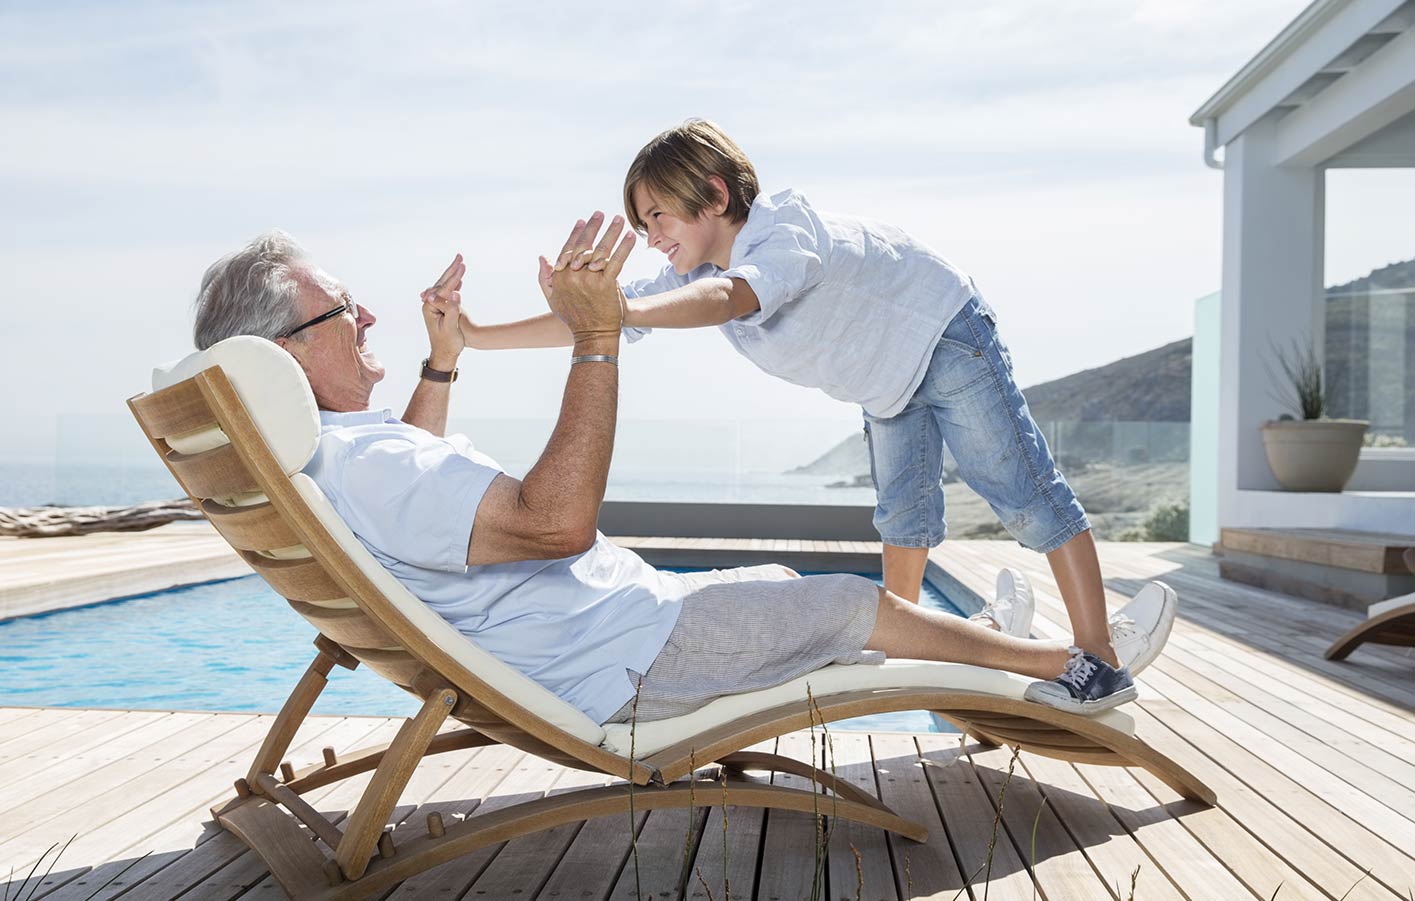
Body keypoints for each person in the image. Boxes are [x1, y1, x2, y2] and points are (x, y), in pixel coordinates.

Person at [190, 217, 1162, 721]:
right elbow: (553, 523)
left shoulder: (342, 455)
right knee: (845, 603)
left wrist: (443, 361)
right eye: (342, 309)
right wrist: (595, 336)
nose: (367, 315)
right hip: (624, 660)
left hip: (615, 634)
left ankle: (980, 647)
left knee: (788, 588)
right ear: (282, 351)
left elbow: (421, 481)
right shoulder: (368, 463)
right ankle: (1077, 667)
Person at [451, 121, 1175, 713]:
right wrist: (475, 336)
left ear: (713, 194)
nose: (650, 237)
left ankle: (1096, 659)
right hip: (886, 382)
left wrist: (617, 309)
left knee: (1021, 491)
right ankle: (908, 647)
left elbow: (731, 300)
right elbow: (609, 318)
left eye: (657, 217)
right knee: (902, 516)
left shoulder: (783, 230)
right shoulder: (690, 275)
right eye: (642, 225)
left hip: (943, 333)